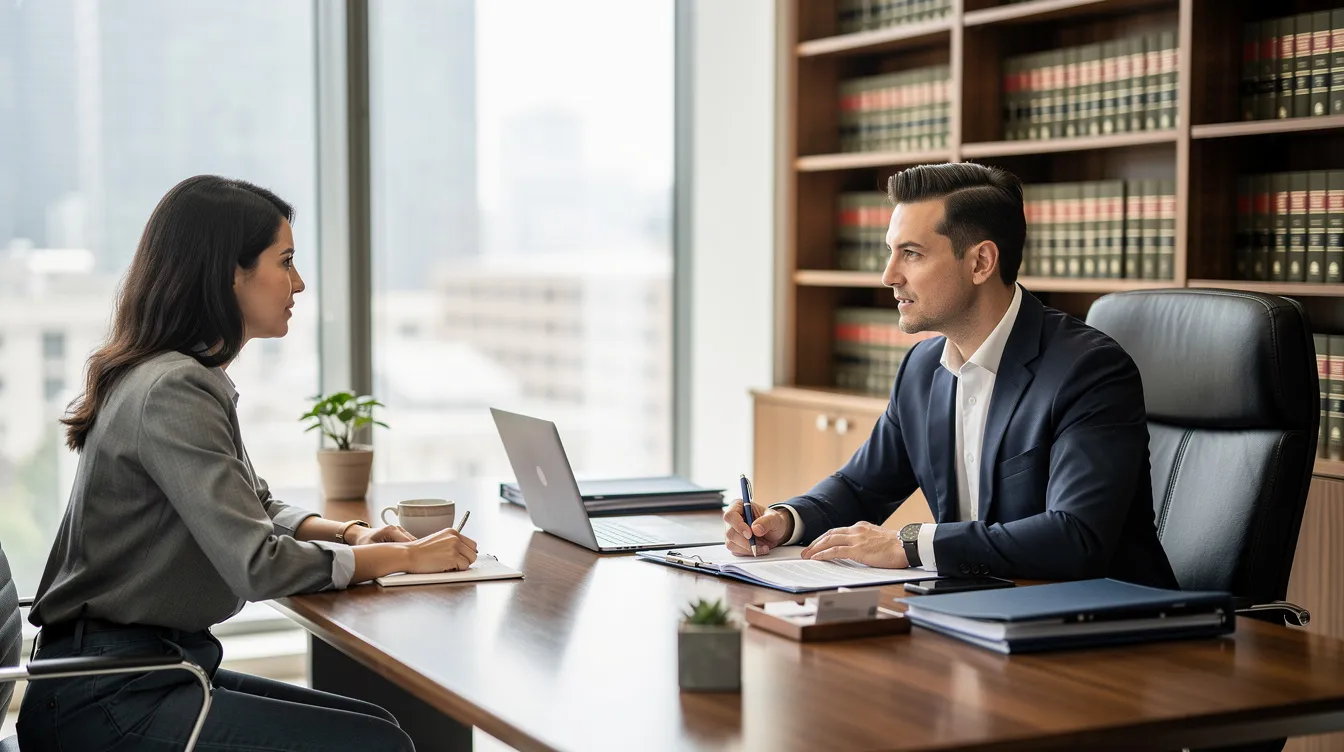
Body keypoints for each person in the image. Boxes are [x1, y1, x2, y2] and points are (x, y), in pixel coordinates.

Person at [18, 175, 477, 752]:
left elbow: (255, 506)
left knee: (383, 733)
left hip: (135, 675)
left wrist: (354, 533)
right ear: (229, 272)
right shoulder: (173, 389)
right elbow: (258, 564)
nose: (299, 282)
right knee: (377, 746)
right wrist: (406, 557)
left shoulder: (173, 375)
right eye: (284, 261)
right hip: (108, 700)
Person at [724, 162, 1177, 588]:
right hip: (979, 611)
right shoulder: (922, 370)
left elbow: (1076, 537)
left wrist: (912, 543)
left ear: (981, 262)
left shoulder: (1089, 370)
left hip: (1112, 632)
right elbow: (859, 487)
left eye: (912, 254)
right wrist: (783, 521)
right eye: (891, 253)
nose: (888, 276)